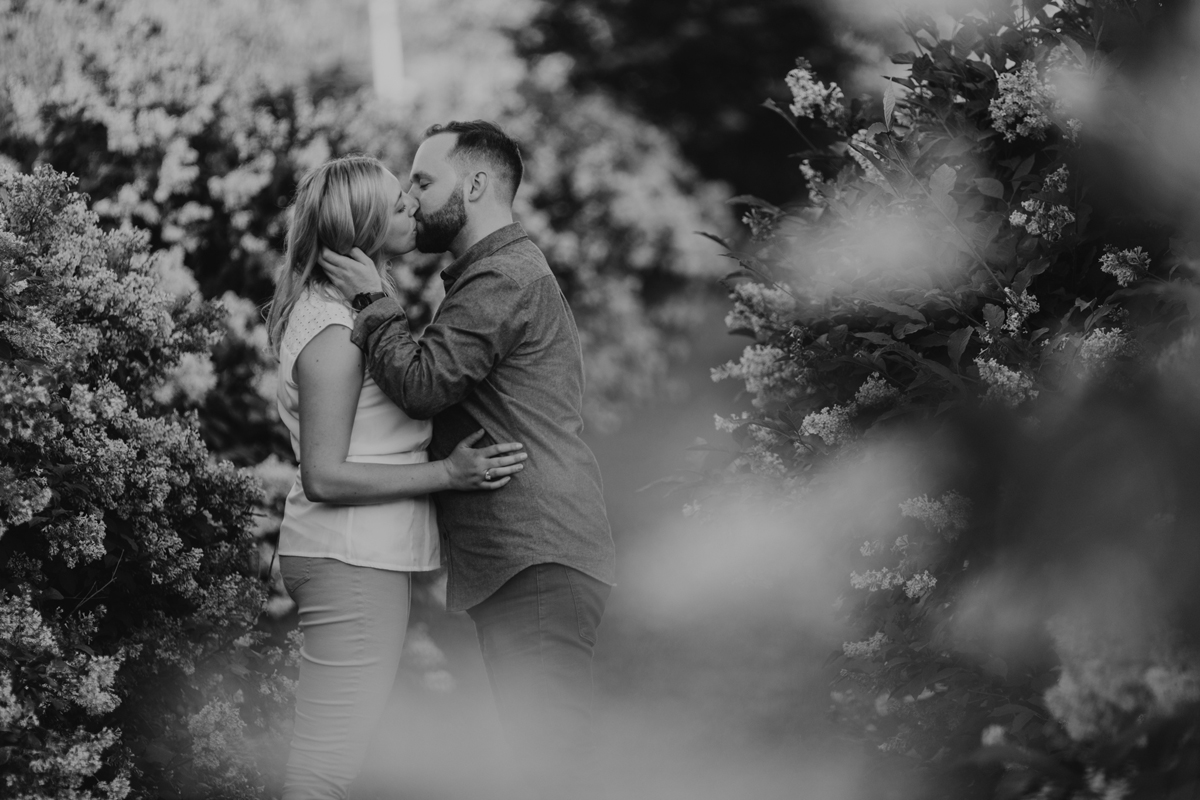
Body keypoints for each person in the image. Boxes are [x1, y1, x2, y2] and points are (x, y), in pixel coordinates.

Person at [318, 121, 617, 798]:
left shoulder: (501, 278)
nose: (412, 198)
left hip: (534, 554)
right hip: (529, 556)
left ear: (476, 184)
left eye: (423, 181)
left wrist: (370, 300)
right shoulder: (492, 274)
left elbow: (425, 384)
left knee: (555, 765)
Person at [267, 154, 528, 800]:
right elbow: (324, 475)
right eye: (396, 204)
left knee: (335, 755)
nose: (412, 207)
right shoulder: (331, 329)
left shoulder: (350, 310)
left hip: (355, 556)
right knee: (324, 766)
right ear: (361, 227)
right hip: (347, 556)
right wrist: (448, 473)